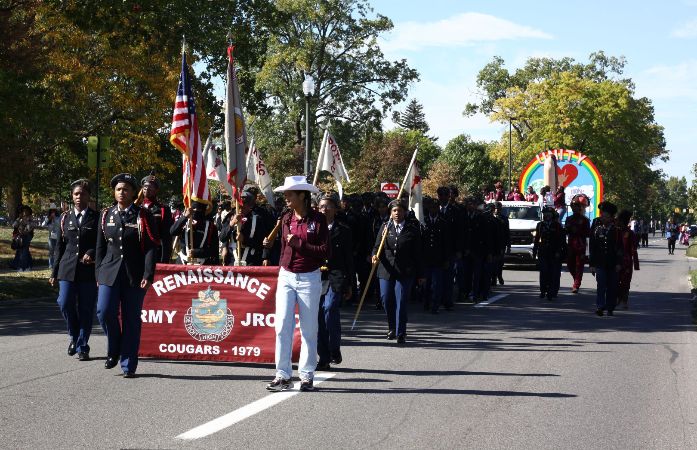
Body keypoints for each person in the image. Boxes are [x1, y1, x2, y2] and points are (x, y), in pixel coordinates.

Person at [265, 176, 328, 392]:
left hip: (310, 277)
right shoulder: (285, 218)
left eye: (290, 194)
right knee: (282, 325)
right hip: (286, 275)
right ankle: (282, 375)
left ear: (302, 195)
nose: (286, 197)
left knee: (309, 329)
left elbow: (324, 253)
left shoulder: (318, 220)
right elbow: (284, 247)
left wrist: (299, 244)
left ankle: (307, 375)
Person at [96, 173, 159, 377]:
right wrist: (98, 272)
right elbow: (100, 247)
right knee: (104, 311)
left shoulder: (143, 215)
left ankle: (128, 364)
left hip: (134, 274)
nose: (122, 192)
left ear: (133, 193)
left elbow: (151, 246)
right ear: (114, 193)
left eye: (126, 189)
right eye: (118, 189)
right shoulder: (106, 215)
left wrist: (148, 274)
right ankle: (114, 348)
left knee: (131, 320)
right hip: (109, 272)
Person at [50, 179, 98, 361]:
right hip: (67, 269)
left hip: (88, 271)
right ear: (72, 196)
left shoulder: (97, 217)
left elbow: (101, 243)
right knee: (64, 303)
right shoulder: (64, 218)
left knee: (86, 309)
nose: (79, 197)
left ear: (88, 196)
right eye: (76, 194)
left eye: (83, 194)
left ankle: (82, 345)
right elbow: (59, 248)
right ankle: (74, 335)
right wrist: (54, 273)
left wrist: (91, 253)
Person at [372, 199, 423, 344]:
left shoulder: (412, 229)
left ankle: (401, 332)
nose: (397, 213)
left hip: (405, 271)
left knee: (401, 301)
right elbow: (377, 247)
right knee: (386, 299)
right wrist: (374, 256)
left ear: (405, 212)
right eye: (394, 211)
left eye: (400, 210)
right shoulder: (385, 227)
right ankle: (391, 327)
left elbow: (418, 253)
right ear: (390, 213)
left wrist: (421, 274)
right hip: (386, 270)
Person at [316, 193, 353, 370]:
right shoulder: (312, 228)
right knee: (318, 318)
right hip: (316, 276)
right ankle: (323, 357)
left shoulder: (343, 230)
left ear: (335, 209)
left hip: (335, 276)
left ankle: (334, 348)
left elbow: (348, 260)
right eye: (321, 206)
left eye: (328, 206)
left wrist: (350, 284)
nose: (324, 209)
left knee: (329, 309)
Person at [589, 201, 622, 316]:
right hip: (600, 262)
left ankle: (610, 307)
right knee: (601, 284)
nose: (603, 217)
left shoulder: (616, 228)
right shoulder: (596, 225)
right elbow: (592, 245)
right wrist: (591, 264)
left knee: (612, 286)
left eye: (606, 215)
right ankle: (600, 306)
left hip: (613, 262)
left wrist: (619, 263)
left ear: (611, 217)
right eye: (602, 214)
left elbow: (619, 247)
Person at [219, 191, 268, 266]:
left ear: (249, 206)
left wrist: (245, 240)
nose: (241, 208)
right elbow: (222, 237)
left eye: (244, 204)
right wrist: (231, 224)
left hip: (251, 261)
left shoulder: (257, 219)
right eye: (239, 205)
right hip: (232, 260)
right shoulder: (229, 218)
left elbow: (261, 243)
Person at [422, 196, 450, 313]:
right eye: (431, 207)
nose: (433, 210)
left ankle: (435, 305)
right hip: (426, 259)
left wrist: (446, 259)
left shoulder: (443, 222)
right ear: (428, 208)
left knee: (436, 284)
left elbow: (447, 242)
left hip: (439, 259)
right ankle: (426, 303)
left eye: (435, 207)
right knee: (426, 284)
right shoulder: (423, 221)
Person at [138, 173, 173, 263]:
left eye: (151, 187)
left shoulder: (163, 209)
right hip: (136, 251)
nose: (147, 189)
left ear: (156, 190)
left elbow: (166, 236)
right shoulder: (135, 207)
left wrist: (165, 258)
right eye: (145, 186)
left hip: (154, 252)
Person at [170, 200, 219, 265]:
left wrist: (198, 252)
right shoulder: (184, 222)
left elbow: (214, 250)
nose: (195, 211)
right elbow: (172, 231)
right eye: (193, 209)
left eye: (199, 209)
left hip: (202, 265)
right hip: (182, 263)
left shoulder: (211, 227)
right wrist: (184, 217)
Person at [533, 207, 565, 300]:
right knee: (543, 272)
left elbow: (561, 240)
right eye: (545, 213)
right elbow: (536, 239)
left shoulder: (557, 226)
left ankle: (552, 291)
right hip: (543, 252)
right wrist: (535, 251)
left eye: (548, 213)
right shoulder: (540, 225)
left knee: (553, 273)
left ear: (552, 215)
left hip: (554, 253)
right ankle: (543, 290)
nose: (546, 215)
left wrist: (559, 251)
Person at [565, 195, 591, 293]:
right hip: (571, 245)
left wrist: (588, 252)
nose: (574, 207)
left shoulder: (585, 220)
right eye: (573, 206)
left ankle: (576, 284)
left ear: (580, 207)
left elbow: (588, 236)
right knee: (570, 265)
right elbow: (566, 232)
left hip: (581, 246)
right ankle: (576, 278)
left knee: (579, 266)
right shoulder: (569, 219)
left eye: (576, 206)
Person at [616, 210, 640, 309]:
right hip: (615, 261)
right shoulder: (614, 231)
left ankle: (624, 301)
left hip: (626, 262)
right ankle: (617, 299)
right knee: (615, 281)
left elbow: (633, 249)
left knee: (626, 282)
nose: (617, 222)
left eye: (619, 220)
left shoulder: (630, 233)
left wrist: (636, 264)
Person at [492, 201, 511, 286]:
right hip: (492, 244)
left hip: (501, 244)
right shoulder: (489, 217)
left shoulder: (504, 219)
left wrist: (508, 245)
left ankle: (499, 276)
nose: (497, 210)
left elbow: (507, 233)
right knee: (492, 262)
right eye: (496, 208)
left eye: (499, 208)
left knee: (500, 262)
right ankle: (493, 278)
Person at [11, 206, 34, 271]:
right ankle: (28, 265)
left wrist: (25, 227)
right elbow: (14, 225)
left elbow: (30, 228)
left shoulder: (30, 218)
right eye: (24, 211)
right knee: (23, 251)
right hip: (20, 236)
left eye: (26, 211)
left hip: (27, 236)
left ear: (29, 211)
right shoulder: (20, 218)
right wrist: (19, 219)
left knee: (24, 251)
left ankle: (22, 267)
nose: (25, 212)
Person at [42, 204, 59, 270]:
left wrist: (54, 218)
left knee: (57, 251)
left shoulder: (58, 217)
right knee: (51, 252)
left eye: (54, 211)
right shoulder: (47, 218)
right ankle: (51, 265)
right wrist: (49, 218)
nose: (52, 212)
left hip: (57, 237)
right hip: (51, 237)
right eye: (51, 211)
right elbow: (43, 225)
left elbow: (60, 224)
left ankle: (56, 265)